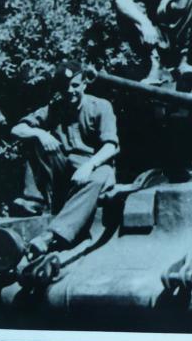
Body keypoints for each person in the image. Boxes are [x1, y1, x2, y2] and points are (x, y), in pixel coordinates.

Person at [10, 61, 119, 258]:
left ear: (84, 84)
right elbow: (17, 129)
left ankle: (51, 235)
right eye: (65, 87)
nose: (70, 91)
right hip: (65, 169)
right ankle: (33, 201)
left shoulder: (100, 106)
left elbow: (111, 146)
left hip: (95, 166)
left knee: (99, 177)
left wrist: (89, 166)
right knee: (34, 138)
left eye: (75, 85)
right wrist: (40, 134)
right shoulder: (54, 108)